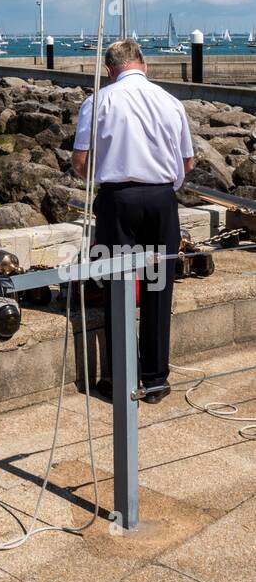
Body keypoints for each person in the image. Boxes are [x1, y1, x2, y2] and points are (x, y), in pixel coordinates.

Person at [71, 38, 194, 404]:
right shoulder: (171, 102)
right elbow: (187, 161)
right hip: (160, 200)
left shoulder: (98, 101)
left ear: (110, 70)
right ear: (143, 64)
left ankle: (121, 377)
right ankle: (155, 379)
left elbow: (80, 161)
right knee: (159, 288)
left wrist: (102, 176)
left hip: (118, 201)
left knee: (118, 286)